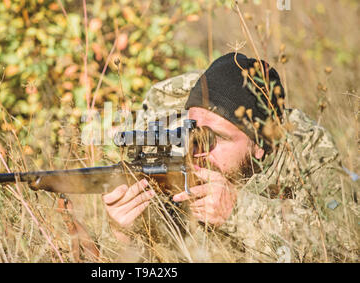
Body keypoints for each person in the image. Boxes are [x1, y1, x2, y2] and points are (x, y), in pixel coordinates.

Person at [102, 52, 358, 262]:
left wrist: (238, 210)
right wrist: (124, 234)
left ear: (260, 145)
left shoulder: (306, 149)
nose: (197, 151)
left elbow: (343, 242)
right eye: (190, 132)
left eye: (218, 138)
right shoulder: (168, 144)